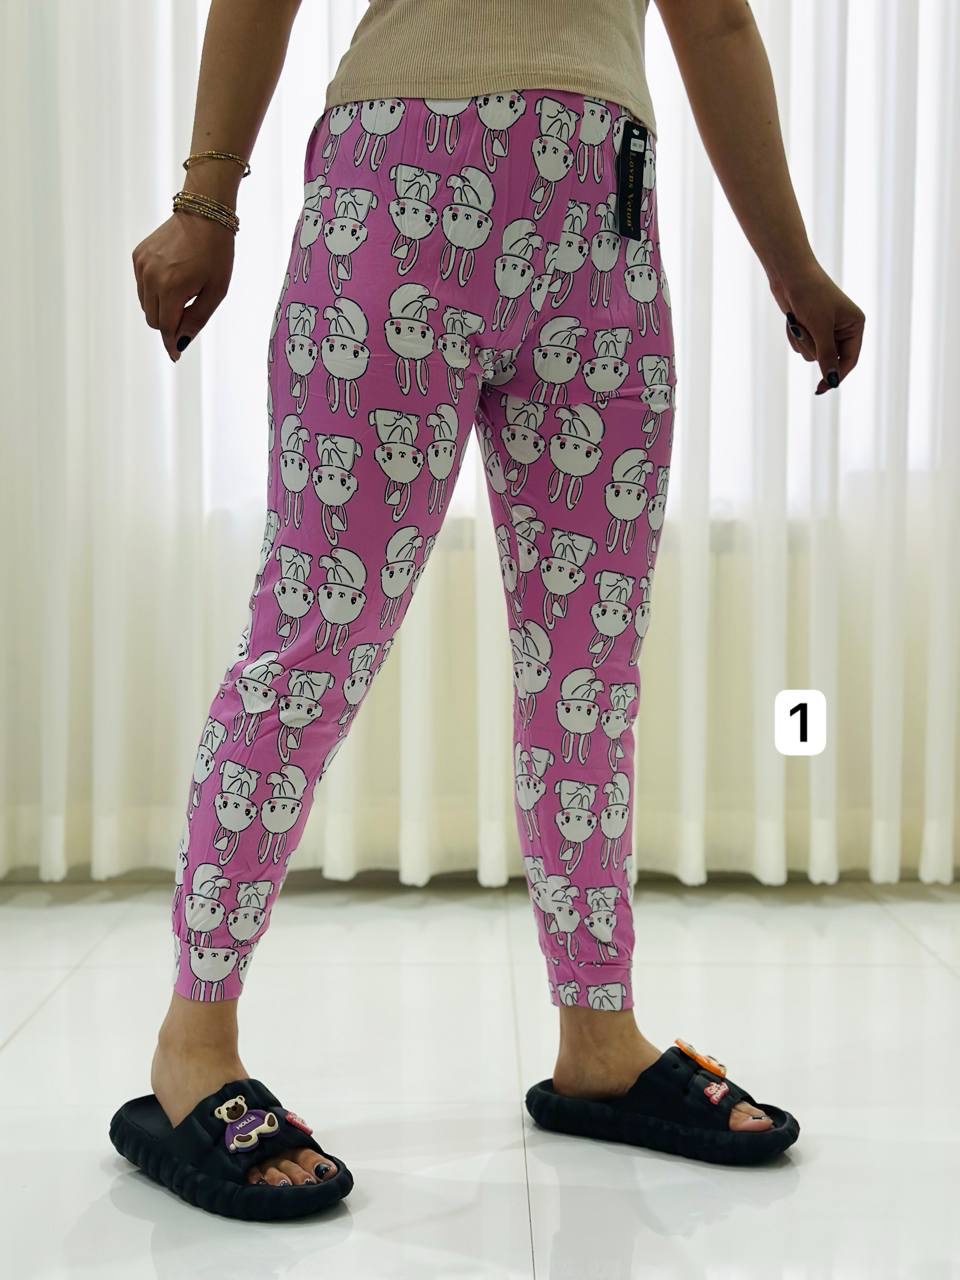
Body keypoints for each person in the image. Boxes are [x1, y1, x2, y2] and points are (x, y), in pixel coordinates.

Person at [113, 0, 865, 1221]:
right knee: (312, 639)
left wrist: (793, 263)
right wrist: (206, 201)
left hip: (604, 228)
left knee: (589, 671)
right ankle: (193, 1040)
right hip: (394, 190)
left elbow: (717, 24)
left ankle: (598, 1034)